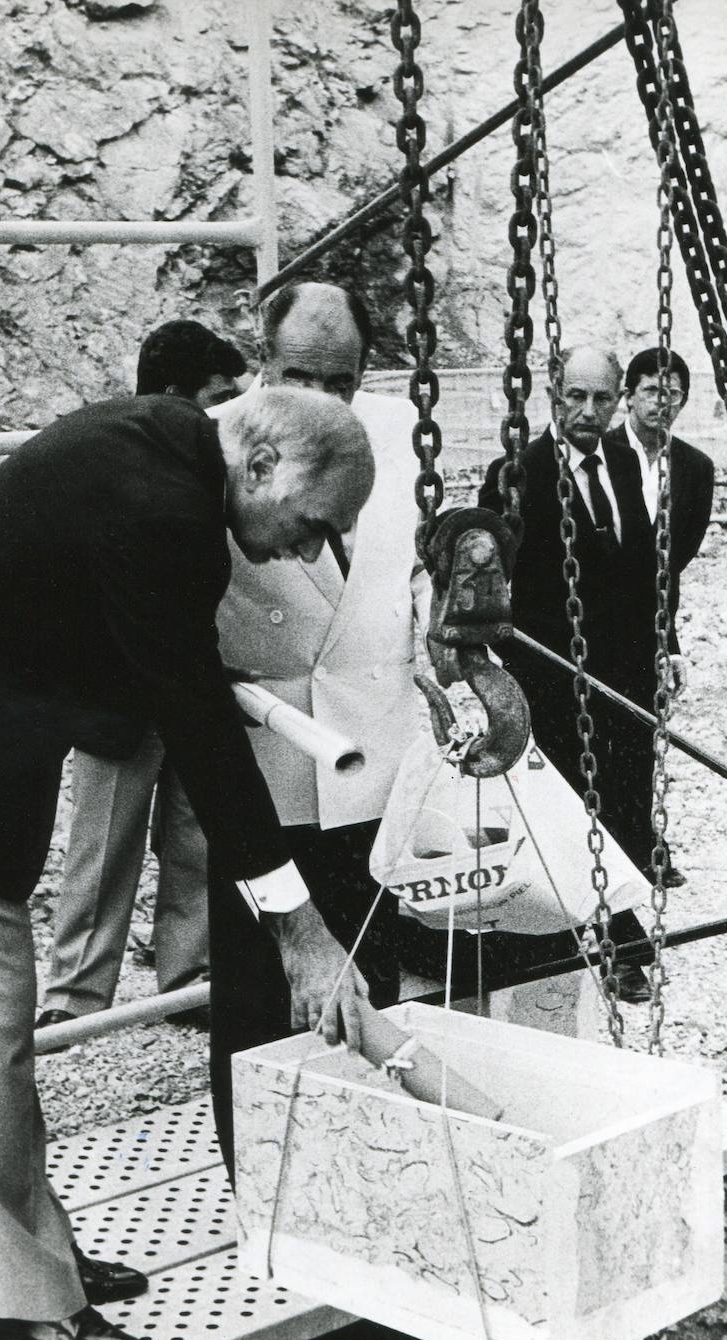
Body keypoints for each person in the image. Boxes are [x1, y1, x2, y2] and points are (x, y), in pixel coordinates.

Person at [0, 386, 376, 1340]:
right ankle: (19, 1298)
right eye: (312, 524)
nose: (304, 551)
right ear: (264, 464)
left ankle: (34, 1253)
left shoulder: (159, 440)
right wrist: (300, 931)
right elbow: (190, 723)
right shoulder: (166, 510)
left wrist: (189, 678)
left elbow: (108, 627)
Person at [207, 281, 432, 1165]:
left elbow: (418, 563)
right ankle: (259, 1178)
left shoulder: (402, 436)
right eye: (299, 374)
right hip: (267, 764)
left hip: (371, 749)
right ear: (262, 361)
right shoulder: (216, 445)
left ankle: (369, 1167)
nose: (320, 401)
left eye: (340, 381)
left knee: (373, 977)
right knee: (261, 992)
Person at [39, 322, 247, 1034]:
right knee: (103, 840)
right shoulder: (118, 463)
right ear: (170, 395)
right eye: (216, 399)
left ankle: (186, 976)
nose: (228, 416)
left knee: (192, 835)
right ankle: (75, 994)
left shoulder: (205, 465)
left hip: (189, 679)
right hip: (119, 688)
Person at [479, 344, 658, 1004]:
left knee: (628, 799)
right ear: (551, 398)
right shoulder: (515, 474)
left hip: (627, 673)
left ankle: (625, 925)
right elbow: (492, 586)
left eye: (602, 398)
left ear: (617, 402)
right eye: (575, 397)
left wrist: (663, 648)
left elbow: (646, 573)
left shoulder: (627, 465)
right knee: (565, 805)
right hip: (552, 676)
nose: (588, 411)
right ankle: (578, 945)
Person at [610, 346, 714, 887]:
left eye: (671, 393)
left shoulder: (695, 469)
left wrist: (667, 640)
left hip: (647, 624)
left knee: (638, 740)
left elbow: (673, 564)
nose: (660, 402)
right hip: (591, 621)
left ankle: (640, 846)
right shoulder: (596, 457)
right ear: (628, 395)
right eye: (650, 390)